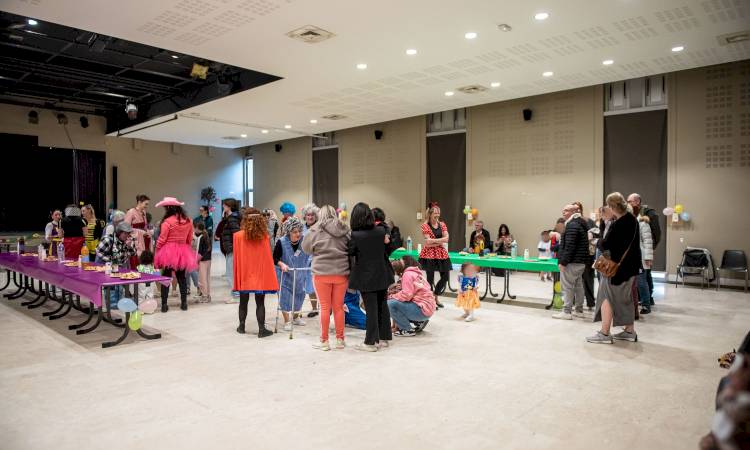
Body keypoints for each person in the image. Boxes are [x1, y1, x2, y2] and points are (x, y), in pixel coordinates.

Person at [587, 192, 641, 344]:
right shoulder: (632, 220)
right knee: (626, 299)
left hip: (616, 269)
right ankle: (629, 331)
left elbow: (606, 244)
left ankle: (604, 334)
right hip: (630, 267)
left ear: (612, 206)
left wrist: (595, 240)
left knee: (607, 298)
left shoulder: (619, 223)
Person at [302, 204, 351, 351]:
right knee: (339, 307)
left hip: (321, 273)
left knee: (324, 308)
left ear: (320, 215)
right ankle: (340, 340)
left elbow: (305, 248)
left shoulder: (314, 229)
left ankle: (324, 341)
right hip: (342, 273)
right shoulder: (344, 228)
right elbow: (351, 246)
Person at [348, 202, 394, 352]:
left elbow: (351, 252)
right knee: (382, 305)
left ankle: (370, 343)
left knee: (371, 309)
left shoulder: (355, 235)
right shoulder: (381, 231)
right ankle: (384, 338)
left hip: (366, 276)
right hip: (382, 273)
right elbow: (389, 246)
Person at [233, 207, 277, 338]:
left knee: (243, 301)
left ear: (245, 219)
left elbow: (237, 259)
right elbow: (267, 259)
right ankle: (261, 329)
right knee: (260, 302)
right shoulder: (264, 237)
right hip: (259, 275)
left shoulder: (237, 236)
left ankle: (241, 326)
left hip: (244, 274)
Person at [154, 196, 197, 313]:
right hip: (183, 251)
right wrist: (185, 249)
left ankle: (164, 305)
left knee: (166, 278)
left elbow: (162, 240)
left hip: (168, 252)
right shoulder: (188, 221)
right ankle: (184, 303)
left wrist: (157, 252)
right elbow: (189, 239)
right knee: (181, 278)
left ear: (169, 208)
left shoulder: (167, 222)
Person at [552, 204, 591, 320]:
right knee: (578, 286)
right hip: (580, 262)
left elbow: (570, 246)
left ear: (574, 211)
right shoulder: (580, 223)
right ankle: (579, 310)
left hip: (573, 262)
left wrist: (563, 262)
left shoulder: (572, 225)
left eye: (566, 210)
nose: (563, 212)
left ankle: (566, 311)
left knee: (567, 286)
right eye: (563, 210)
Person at [388, 256, 436, 336]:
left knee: (390, 303)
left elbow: (406, 295)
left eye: (400, 260)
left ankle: (407, 329)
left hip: (421, 310)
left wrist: (392, 296)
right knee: (397, 301)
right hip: (428, 309)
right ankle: (419, 322)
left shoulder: (407, 274)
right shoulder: (416, 273)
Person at [274, 217, 308, 330]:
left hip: (299, 274)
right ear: (289, 232)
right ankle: (287, 321)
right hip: (285, 274)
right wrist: (281, 264)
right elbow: (274, 258)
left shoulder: (304, 241)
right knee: (284, 297)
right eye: (294, 232)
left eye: (299, 231)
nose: (298, 234)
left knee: (300, 296)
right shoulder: (281, 242)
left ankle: (296, 317)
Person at [627, 193, 660, 307]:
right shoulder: (630, 220)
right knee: (640, 279)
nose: (628, 204)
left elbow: (654, 235)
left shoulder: (648, 215)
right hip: (634, 255)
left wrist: (649, 254)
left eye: (630, 201)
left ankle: (647, 301)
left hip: (644, 253)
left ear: (637, 202)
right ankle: (642, 299)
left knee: (643, 279)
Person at [95, 222, 136, 309]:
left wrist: (129, 246)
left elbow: (133, 253)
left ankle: (118, 304)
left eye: (128, 233)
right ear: (119, 232)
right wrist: (111, 261)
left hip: (120, 267)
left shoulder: (128, 241)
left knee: (119, 286)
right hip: (106, 266)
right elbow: (98, 251)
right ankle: (112, 307)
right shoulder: (108, 239)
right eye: (125, 233)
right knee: (111, 287)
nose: (127, 235)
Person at [418, 202, 450, 309]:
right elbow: (427, 243)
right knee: (430, 279)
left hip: (441, 253)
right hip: (429, 254)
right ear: (430, 214)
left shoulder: (442, 225)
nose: (437, 215)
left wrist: (434, 241)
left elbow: (447, 239)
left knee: (445, 276)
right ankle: (431, 301)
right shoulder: (425, 226)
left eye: (438, 213)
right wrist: (440, 241)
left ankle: (435, 295)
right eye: (435, 213)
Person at [573, 201, 596, 309]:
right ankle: (574, 303)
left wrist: (592, 234)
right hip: (574, 256)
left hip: (587, 256)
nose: (577, 210)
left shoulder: (588, 221)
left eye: (578, 208)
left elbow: (598, 232)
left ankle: (590, 303)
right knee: (573, 281)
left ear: (581, 210)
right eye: (574, 208)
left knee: (588, 279)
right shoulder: (569, 222)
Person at [301, 203, 320, 318]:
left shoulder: (319, 227)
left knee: (316, 286)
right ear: (305, 216)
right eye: (308, 215)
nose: (310, 217)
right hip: (303, 260)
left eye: (313, 215)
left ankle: (318, 308)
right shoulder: (301, 227)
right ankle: (311, 308)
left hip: (316, 260)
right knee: (306, 285)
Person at [220, 198, 241, 302]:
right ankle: (236, 295)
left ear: (229, 206)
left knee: (231, 274)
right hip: (232, 249)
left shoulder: (232, 218)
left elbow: (237, 234)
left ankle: (236, 296)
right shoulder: (231, 217)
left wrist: (233, 247)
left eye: (224, 205)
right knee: (232, 273)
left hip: (233, 249)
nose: (223, 207)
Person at [636, 214, 654, 315]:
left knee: (641, 281)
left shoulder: (643, 224)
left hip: (642, 257)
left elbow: (648, 242)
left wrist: (648, 257)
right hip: (632, 257)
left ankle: (646, 305)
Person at [196, 222, 212, 303]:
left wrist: (197, 260)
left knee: (202, 279)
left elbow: (199, 251)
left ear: (198, 228)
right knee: (207, 278)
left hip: (203, 260)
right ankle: (207, 295)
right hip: (208, 259)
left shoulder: (201, 237)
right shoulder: (206, 236)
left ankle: (205, 296)